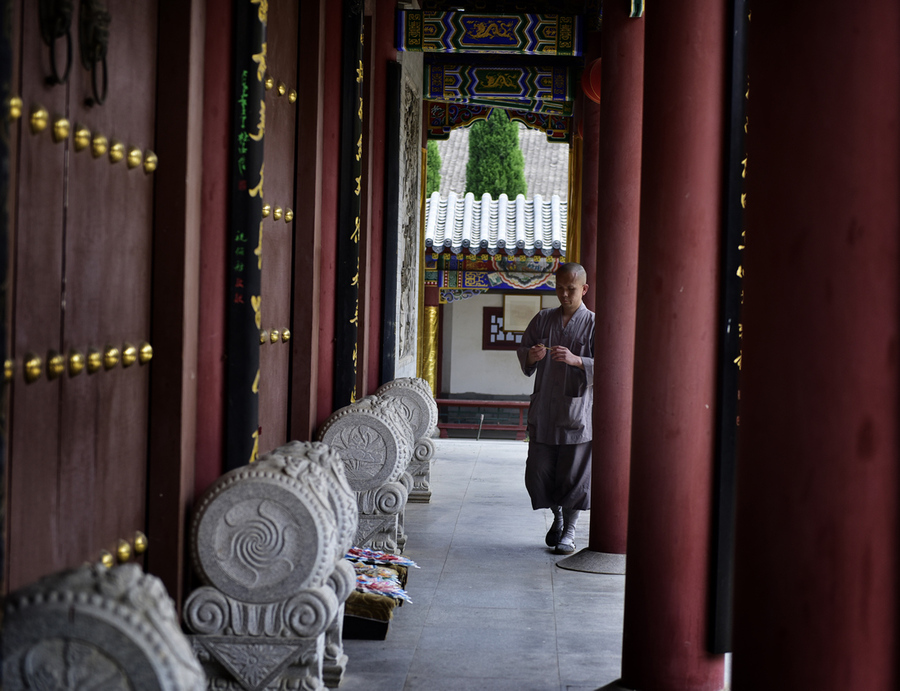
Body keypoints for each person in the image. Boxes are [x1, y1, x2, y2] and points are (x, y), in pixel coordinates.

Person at [516, 262, 594, 555]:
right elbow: (523, 351)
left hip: (576, 413)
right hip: (544, 412)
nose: (563, 294)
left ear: (584, 289)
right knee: (538, 472)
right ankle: (557, 517)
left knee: (573, 476)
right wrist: (532, 357)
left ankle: (570, 530)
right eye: (559, 288)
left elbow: (610, 367)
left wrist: (577, 360)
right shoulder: (542, 320)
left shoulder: (594, 324)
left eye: (570, 289)